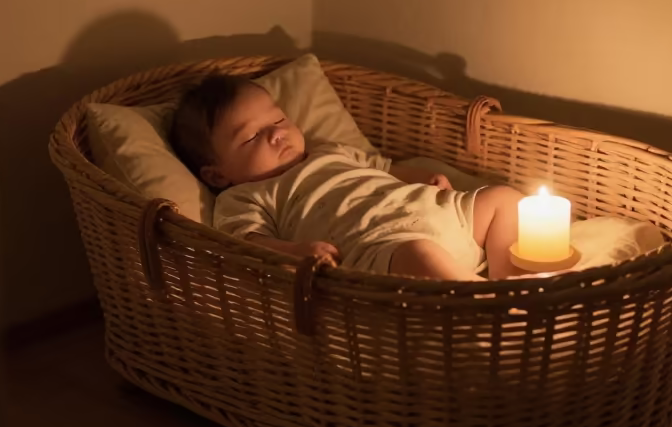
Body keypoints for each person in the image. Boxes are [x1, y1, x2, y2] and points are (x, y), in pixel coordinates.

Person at [170, 73, 526, 280]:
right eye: (251, 137)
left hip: (441, 212)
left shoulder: (330, 151)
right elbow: (248, 243)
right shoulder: (245, 196)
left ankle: (511, 283)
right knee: (421, 255)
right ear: (216, 175)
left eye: (278, 120)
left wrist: (425, 175)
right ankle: (489, 310)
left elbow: (384, 168)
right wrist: (296, 252)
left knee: (504, 199)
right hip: (386, 246)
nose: (276, 134)